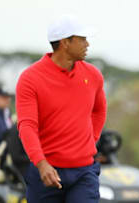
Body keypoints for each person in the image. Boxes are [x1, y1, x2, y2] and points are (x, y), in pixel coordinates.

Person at [16, 14, 107, 203]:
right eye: (82, 39)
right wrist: (41, 164)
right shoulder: (30, 78)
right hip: (46, 172)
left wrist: (91, 140)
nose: (87, 44)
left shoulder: (93, 75)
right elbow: (27, 125)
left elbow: (99, 111)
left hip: (84, 172)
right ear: (65, 42)